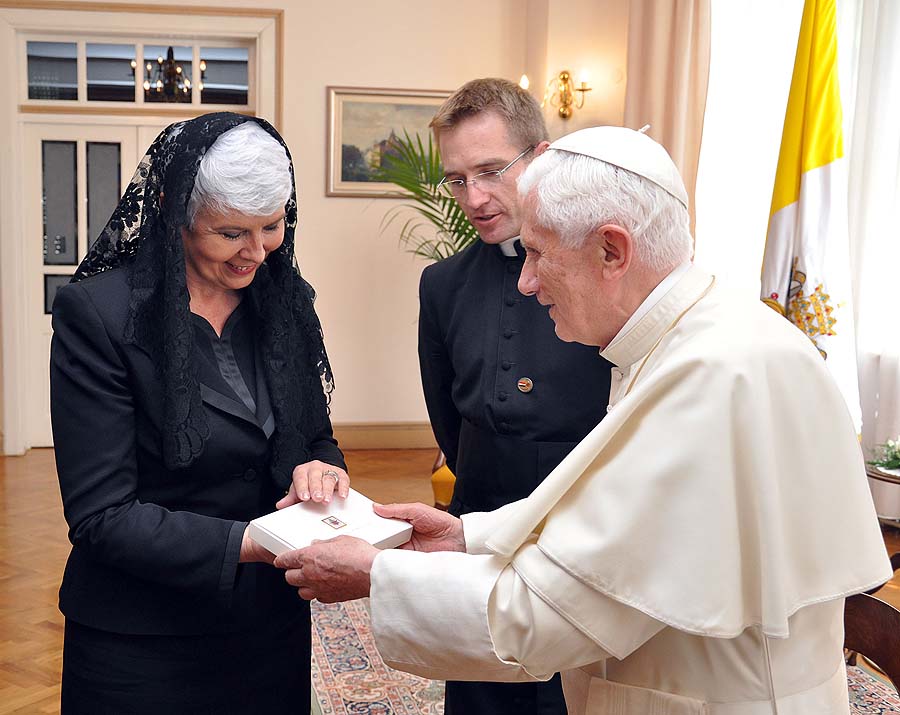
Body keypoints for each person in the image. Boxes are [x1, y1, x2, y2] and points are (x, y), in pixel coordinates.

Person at [277, 126, 892, 714]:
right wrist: (468, 537)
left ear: (611, 250)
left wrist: (379, 575)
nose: (526, 279)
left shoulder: (710, 376)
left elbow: (554, 613)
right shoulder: (687, 339)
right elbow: (608, 525)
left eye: (539, 254)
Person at [51, 112, 348, 714]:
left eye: (272, 227)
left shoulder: (284, 300)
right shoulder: (99, 314)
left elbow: (314, 435)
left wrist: (324, 473)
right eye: (231, 233)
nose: (257, 253)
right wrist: (259, 541)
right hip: (141, 641)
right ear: (172, 206)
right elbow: (102, 517)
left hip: (269, 628)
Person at [418, 76, 612, 715]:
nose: (472, 198)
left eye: (490, 171)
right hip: (479, 514)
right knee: (483, 686)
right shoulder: (441, 284)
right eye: (456, 179)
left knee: (575, 690)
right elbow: (446, 415)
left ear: (541, 157)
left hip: (584, 520)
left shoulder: (605, 268)